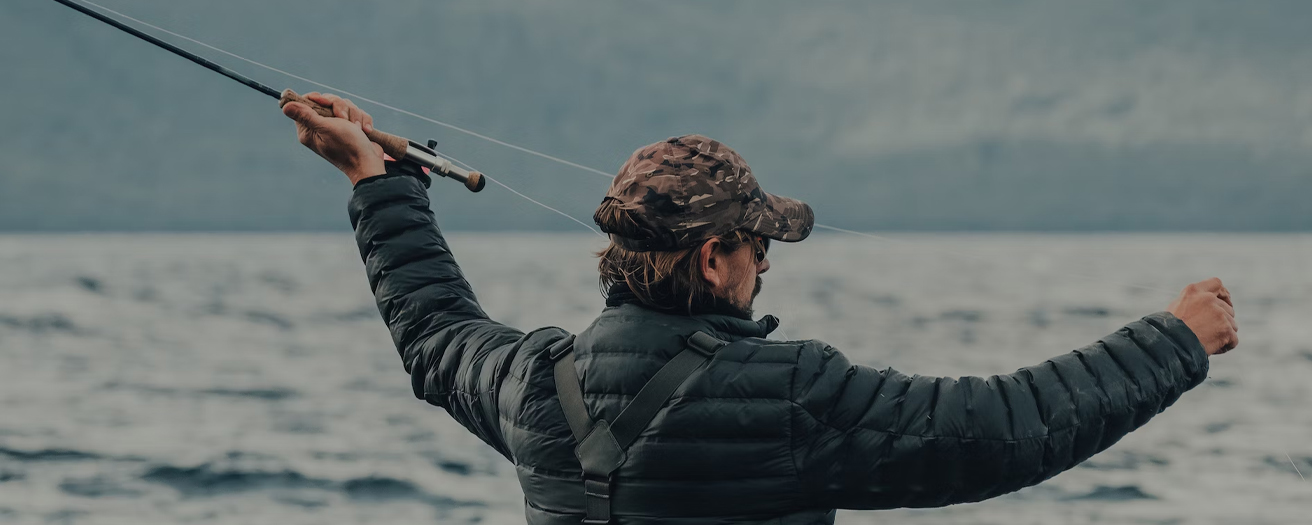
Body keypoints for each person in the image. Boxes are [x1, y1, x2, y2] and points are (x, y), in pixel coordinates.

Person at [282, 93, 1239, 525]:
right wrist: (1172, 342)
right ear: (715, 257)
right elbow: (1001, 432)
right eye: (758, 245)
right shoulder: (793, 393)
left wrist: (379, 179)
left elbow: (433, 330)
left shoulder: (535, 382)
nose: (766, 263)